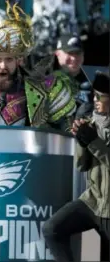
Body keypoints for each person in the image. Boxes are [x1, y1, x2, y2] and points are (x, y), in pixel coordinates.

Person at [43, 71, 110, 262]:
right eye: (94, 95)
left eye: (101, 96)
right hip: (93, 201)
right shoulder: (92, 123)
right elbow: (81, 166)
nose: (95, 100)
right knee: (52, 229)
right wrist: (81, 141)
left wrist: (94, 142)